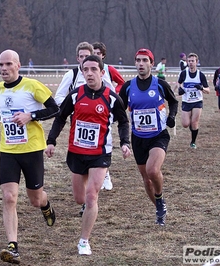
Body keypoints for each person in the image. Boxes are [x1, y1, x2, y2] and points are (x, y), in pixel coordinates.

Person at [0, 49, 59, 264]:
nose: (3, 68)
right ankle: (13, 246)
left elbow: (55, 109)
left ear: (18, 65)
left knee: (35, 199)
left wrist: (31, 116)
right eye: (0, 65)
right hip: (8, 151)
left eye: (8, 64)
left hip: (31, 151)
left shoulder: (32, 86)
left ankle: (46, 204)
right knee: (9, 197)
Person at [45, 55, 131, 255]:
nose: (90, 73)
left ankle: (84, 240)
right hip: (76, 153)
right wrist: (51, 141)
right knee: (79, 198)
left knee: (92, 196)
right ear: (82, 73)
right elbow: (60, 118)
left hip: (100, 154)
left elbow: (124, 122)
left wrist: (125, 143)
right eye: (86, 70)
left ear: (102, 72)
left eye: (94, 69)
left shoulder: (111, 98)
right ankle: (85, 209)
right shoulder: (75, 95)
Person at [119, 48, 178, 226]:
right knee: (146, 179)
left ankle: (159, 199)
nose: (141, 64)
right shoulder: (128, 87)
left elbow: (173, 102)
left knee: (153, 171)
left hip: (158, 135)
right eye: (138, 60)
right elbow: (119, 109)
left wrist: (172, 117)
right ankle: (160, 207)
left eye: (145, 60)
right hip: (138, 138)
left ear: (152, 64)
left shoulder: (160, 84)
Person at [55, 42, 116, 199]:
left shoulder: (101, 73)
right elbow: (59, 98)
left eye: (86, 56)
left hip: (100, 120)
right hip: (80, 122)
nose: (83, 60)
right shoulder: (72, 75)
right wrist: (74, 105)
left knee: (100, 149)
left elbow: (112, 96)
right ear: (77, 59)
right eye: (81, 57)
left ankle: (104, 174)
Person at [92, 41, 126, 191]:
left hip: (106, 108)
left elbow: (122, 83)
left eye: (98, 53)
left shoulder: (109, 69)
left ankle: (106, 174)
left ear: (103, 56)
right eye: (93, 53)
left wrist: (114, 91)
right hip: (90, 109)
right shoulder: (87, 69)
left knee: (104, 141)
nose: (95, 55)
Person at [177, 53, 210, 149]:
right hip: (186, 101)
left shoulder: (200, 75)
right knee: (185, 124)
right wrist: (180, 89)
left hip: (197, 101)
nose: (191, 63)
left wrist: (201, 88)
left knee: (194, 123)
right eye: (189, 61)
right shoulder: (184, 73)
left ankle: (193, 142)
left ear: (196, 62)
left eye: (193, 61)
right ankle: (191, 126)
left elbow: (208, 90)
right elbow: (178, 83)